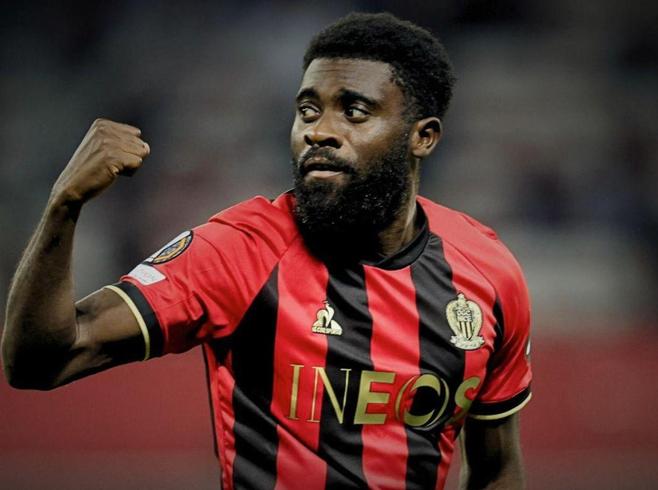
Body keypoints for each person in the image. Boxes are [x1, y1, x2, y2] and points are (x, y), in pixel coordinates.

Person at [1, 12, 532, 490]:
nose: (319, 131)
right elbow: (39, 363)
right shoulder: (238, 251)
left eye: (354, 111)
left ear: (424, 137)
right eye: (308, 110)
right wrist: (63, 205)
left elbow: (496, 468)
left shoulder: (487, 273)